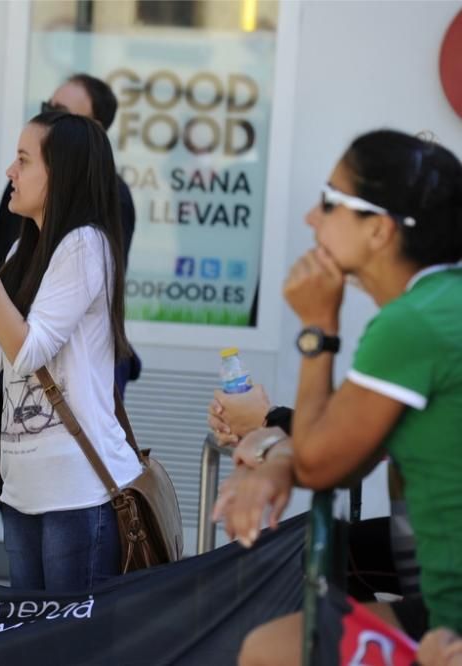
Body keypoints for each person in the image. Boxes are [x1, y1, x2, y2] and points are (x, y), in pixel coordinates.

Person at [211, 129, 462, 664]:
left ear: (380, 231)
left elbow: (324, 462)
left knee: (268, 652)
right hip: (436, 608)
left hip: (451, 626)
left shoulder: (413, 323)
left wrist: (317, 330)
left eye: (330, 202)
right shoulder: (436, 304)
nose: (311, 218)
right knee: (272, 646)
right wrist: (280, 455)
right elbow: (347, 453)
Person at [0, 111, 141, 592]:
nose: (10, 173)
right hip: (24, 490)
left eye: (23, 160)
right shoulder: (26, 250)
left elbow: (27, 353)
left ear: (60, 174)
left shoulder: (86, 245)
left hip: (78, 492)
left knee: (68, 645)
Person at [0, 72, 139, 514]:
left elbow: (40, 329)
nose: (49, 118)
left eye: (63, 114)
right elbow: (1, 274)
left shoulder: (93, 231)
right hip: (19, 418)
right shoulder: (22, 215)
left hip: (73, 455)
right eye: (47, 105)